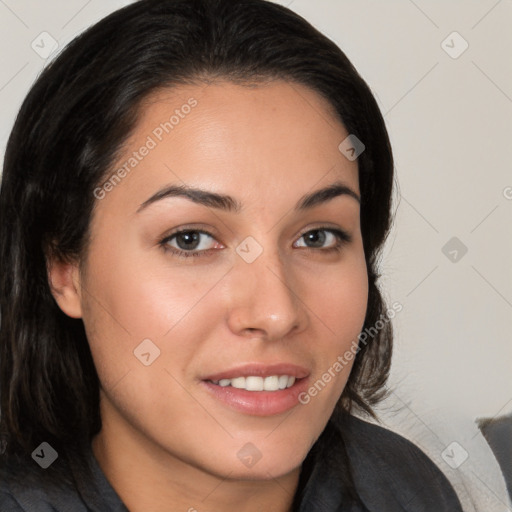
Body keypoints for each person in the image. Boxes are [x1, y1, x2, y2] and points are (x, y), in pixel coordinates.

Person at [0, 0, 464, 510]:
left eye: (317, 237)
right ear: (64, 270)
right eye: (190, 239)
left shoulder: (406, 488)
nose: (276, 312)